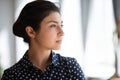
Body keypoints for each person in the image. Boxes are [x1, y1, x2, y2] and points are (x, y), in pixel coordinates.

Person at [1, 0, 85, 80]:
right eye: (53, 25)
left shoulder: (70, 67)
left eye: (61, 25)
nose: (62, 32)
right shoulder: (12, 75)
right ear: (31, 32)